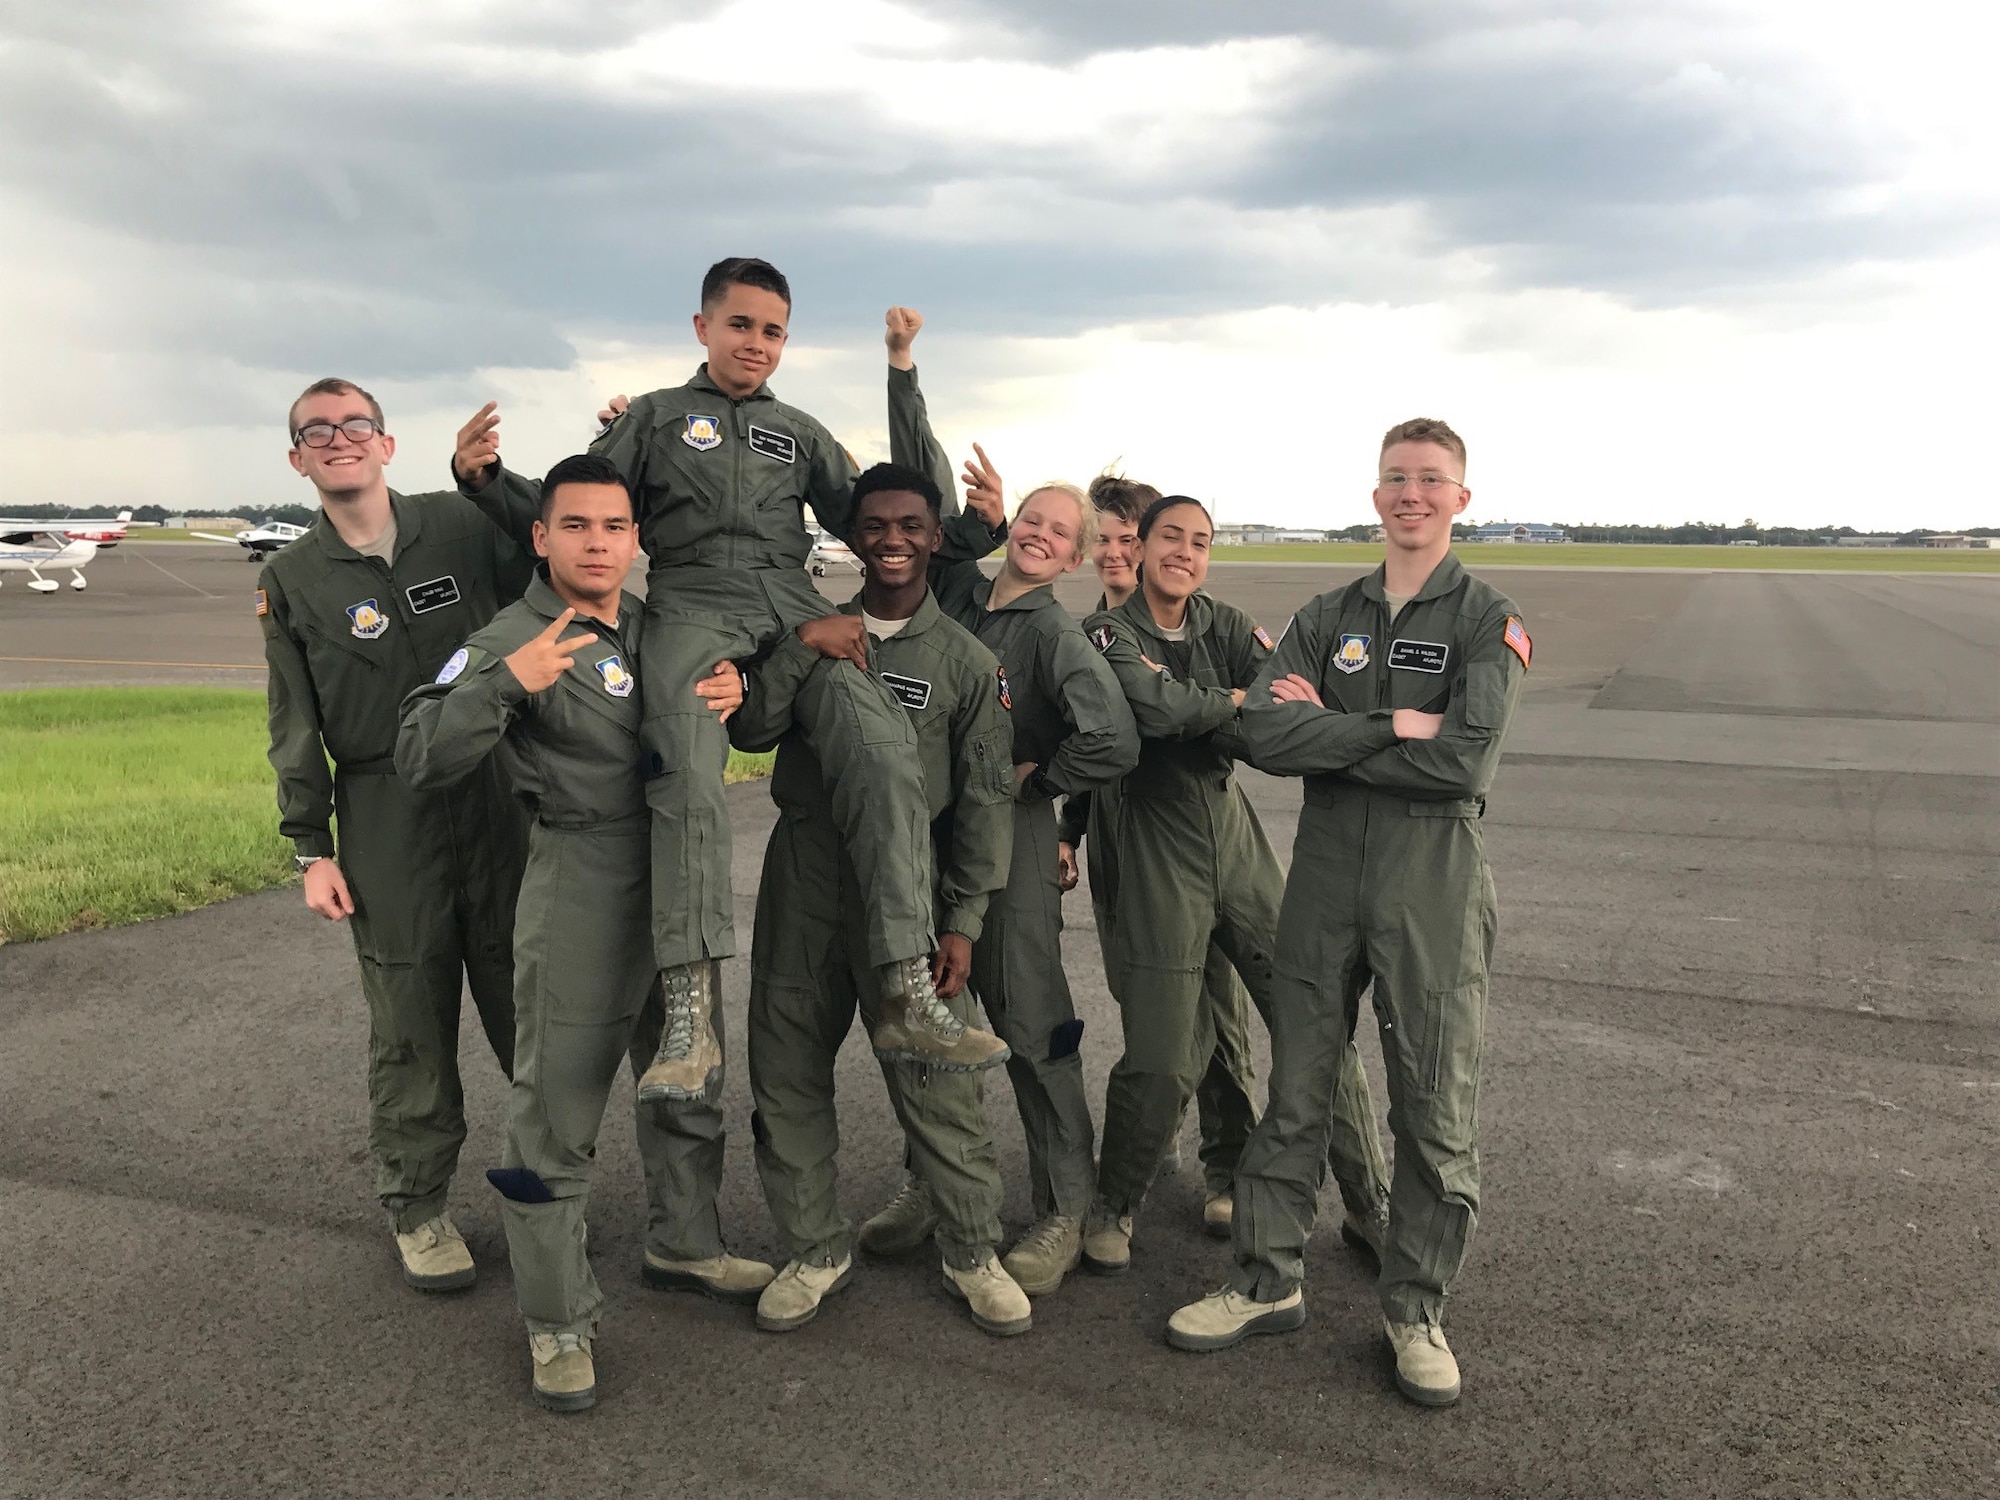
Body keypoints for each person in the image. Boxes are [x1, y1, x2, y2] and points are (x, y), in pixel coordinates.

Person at [452, 262, 1008, 1112]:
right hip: (694, 607)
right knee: (683, 766)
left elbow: (885, 511)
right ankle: (690, 1014)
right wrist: (489, 483)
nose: (757, 344)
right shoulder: (653, 419)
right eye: (741, 325)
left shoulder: (800, 431)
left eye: (773, 330)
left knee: (883, 739)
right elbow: (579, 501)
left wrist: (979, 522)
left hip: (794, 605)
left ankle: (904, 986)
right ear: (702, 327)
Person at [396, 454, 774, 1411]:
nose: (597, 542)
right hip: (584, 878)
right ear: (541, 535)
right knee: (554, 1105)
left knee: (687, 1075)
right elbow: (419, 755)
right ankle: (556, 1317)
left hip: (678, 876)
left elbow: (740, 706)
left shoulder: (658, 629)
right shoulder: (514, 637)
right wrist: (505, 686)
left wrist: (739, 696)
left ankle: (684, 1242)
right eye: (576, 526)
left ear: (634, 538)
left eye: (613, 526)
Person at [1166, 418, 1531, 1410]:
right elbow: (1265, 733)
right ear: (1374, 496)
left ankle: (1413, 1307)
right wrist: (1385, 723)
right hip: (1325, 868)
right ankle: (1263, 1279)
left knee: (1429, 1098)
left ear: (1460, 497)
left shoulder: (1482, 617)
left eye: (1430, 480)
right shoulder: (1328, 612)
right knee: (1298, 1086)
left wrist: (1331, 730)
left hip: (1431, 872)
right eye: (1394, 479)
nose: (1410, 494)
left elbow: (1464, 757)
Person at [727, 461, 1030, 1338]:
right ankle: (814, 1248)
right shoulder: (812, 629)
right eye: (875, 526)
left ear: (938, 537)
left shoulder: (968, 663)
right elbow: (750, 728)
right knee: (784, 1069)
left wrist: (964, 920)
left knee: (937, 1080)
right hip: (806, 880)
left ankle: (972, 1250)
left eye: (911, 525)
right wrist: (797, 651)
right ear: (851, 537)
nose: (892, 540)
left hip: (912, 889)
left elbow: (984, 802)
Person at [1057, 474, 1389, 1249]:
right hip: (1147, 841)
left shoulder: (1226, 622)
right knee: (1170, 1055)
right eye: (1170, 538)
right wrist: (1235, 704)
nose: (1185, 553)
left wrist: (1234, 711)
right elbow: (1156, 712)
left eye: (1200, 543)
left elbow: (1275, 724)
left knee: (1314, 1024)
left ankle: (1370, 1203)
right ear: (1140, 550)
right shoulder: (1105, 634)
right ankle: (1115, 1201)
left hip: (1230, 836)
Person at [258, 377, 533, 1291]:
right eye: (317, 431)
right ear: (297, 457)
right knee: (409, 1023)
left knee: (525, 1011)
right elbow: (293, 721)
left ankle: (547, 1191)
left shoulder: (460, 525)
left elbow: (558, 560)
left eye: (355, 425)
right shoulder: (292, 580)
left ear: (386, 443)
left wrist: (489, 482)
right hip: (383, 813)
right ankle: (417, 1208)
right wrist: (311, 847)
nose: (338, 440)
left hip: (495, 791)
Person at [870, 411, 1139, 1298]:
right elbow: (917, 495)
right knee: (933, 1017)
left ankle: (1066, 1207)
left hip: (1010, 844)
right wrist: (903, 369)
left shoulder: (1055, 636)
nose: (1039, 535)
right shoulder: (951, 594)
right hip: (927, 832)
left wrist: (1038, 781)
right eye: (1032, 518)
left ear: (1073, 557)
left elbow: (1113, 737)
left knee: (1032, 1028)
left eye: (1059, 532)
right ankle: (932, 1181)